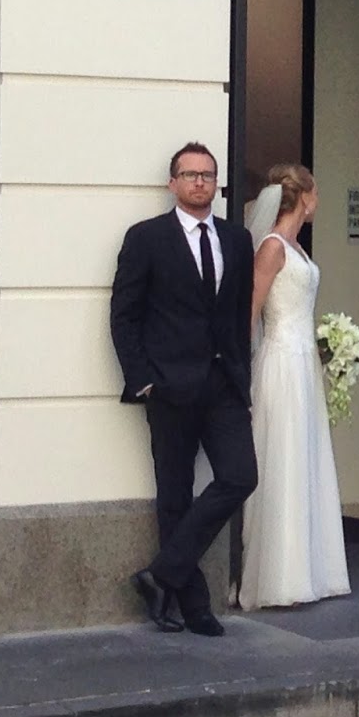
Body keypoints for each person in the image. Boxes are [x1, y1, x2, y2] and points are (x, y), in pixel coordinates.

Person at [110, 142, 257, 638]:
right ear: (172, 182)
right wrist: (144, 379)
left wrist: (241, 374)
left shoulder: (236, 239)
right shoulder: (147, 238)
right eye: (190, 174)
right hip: (169, 387)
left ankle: (160, 575)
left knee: (239, 476)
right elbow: (124, 316)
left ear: (217, 184)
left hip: (223, 385)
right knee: (174, 495)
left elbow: (237, 314)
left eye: (207, 175)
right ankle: (193, 606)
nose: (199, 182)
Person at [236, 163, 351, 609]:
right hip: (282, 361)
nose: (318, 201)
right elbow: (251, 310)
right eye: (316, 193)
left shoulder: (297, 248)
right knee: (282, 456)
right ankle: (280, 576)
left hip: (303, 361)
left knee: (304, 456)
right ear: (304, 197)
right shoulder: (272, 247)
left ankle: (311, 568)